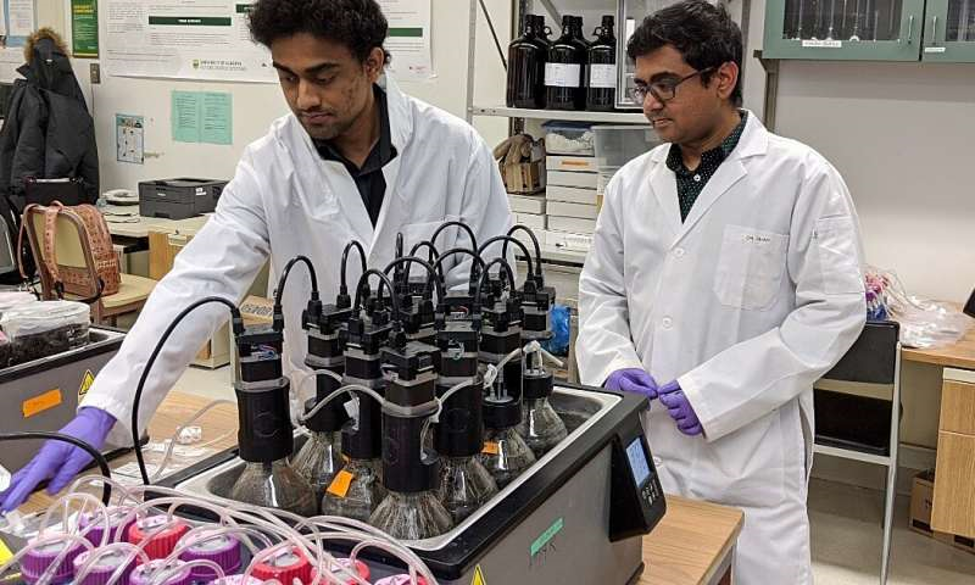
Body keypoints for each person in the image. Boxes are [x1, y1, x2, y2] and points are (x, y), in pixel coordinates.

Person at [0, 0, 512, 512]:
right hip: (323, 425)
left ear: (372, 64)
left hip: (436, 430)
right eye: (287, 77)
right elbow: (201, 282)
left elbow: (484, 291)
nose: (304, 98)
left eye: (323, 77)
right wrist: (106, 408)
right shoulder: (271, 162)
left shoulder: (455, 151)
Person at [576, 2, 866, 583]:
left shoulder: (801, 178)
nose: (649, 103)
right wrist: (610, 364)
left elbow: (833, 312)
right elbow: (602, 289)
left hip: (748, 457)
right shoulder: (632, 183)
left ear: (723, 78)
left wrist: (717, 393)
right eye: (642, 87)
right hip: (648, 443)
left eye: (665, 85)